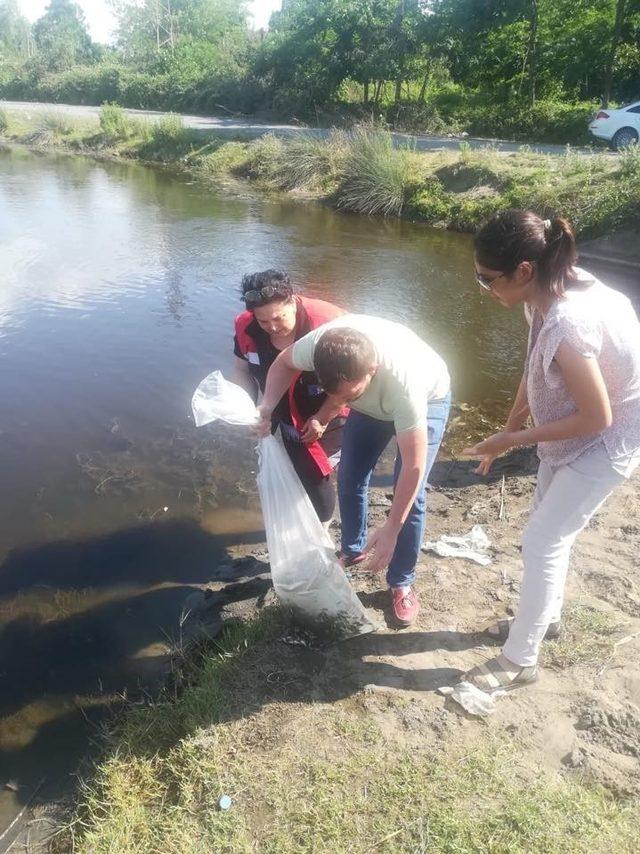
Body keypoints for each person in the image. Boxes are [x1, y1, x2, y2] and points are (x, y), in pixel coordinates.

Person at [462, 209, 640, 694]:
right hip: (575, 431)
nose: (484, 288)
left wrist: (512, 441)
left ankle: (520, 660)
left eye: (487, 279)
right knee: (546, 525)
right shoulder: (548, 287)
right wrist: (511, 423)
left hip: (608, 440)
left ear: (523, 271)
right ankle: (547, 620)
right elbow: (533, 367)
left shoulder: (568, 321)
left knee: (543, 541)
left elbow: (598, 417)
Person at [256, 314, 451, 627]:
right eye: (338, 395)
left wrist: (390, 530)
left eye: (351, 394)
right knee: (349, 477)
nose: (342, 401)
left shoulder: (405, 384)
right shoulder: (320, 345)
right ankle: (353, 550)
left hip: (430, 398)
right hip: (370, 405)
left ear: (372, 369)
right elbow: (282, 364)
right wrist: (266, 407)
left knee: (410, 500)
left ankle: (401, 581)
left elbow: (412, 467)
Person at [233, 269, 346, 525]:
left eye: (278, 317)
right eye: (263, 321)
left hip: (332, 408)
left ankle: (322, 530)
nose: (272, 327)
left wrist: (323, 417)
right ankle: (305, 521)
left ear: (293, 301)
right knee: (298, 469)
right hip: (283, 413)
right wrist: (251, 411)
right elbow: (241, 371)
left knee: (317, 474)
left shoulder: (328, 323)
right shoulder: (245, 326)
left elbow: (351, 381)